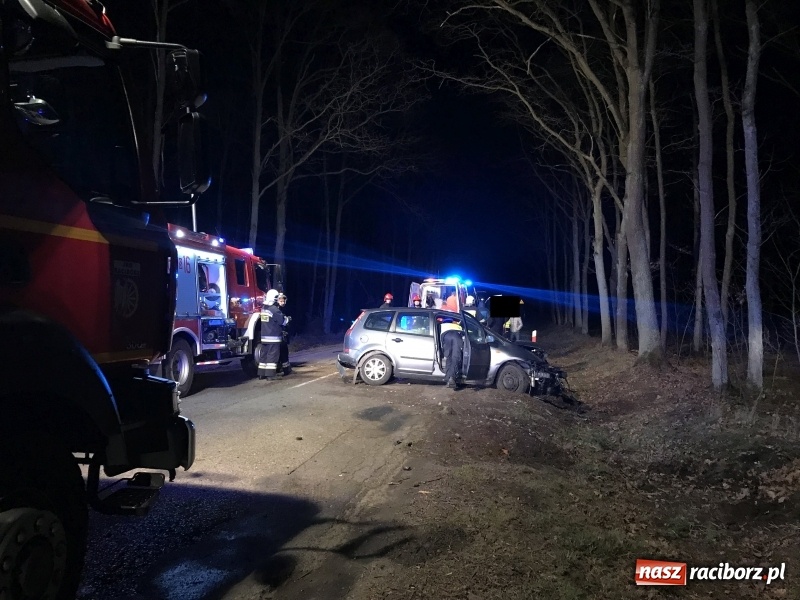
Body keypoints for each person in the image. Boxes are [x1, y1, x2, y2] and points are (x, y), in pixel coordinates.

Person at [257, 289, 288, 380]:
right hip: (273, 337)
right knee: (272, 356)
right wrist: (287, 319)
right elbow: (282, 322)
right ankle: (270, 375)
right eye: (277, 298)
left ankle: (261, 373)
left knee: (264, 356)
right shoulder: (274, 310)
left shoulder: (264, 308)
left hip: (264, 336)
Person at [439, 317, 464, 389]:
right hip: (456, 336)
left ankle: (448, 378)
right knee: (455, 357)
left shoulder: (442, 326)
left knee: (449, 358)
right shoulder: (456, 324)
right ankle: (451, 378)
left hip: (445, 336)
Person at [276, 292, 292, 375]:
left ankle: (285, 368)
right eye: (281, 301)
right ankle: (283, 368)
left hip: (283, 333)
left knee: (284, 351)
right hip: (279, 334)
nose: (283, 302)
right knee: (281, 351)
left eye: (284, 301)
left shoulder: (284, 309)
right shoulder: (276, 310)